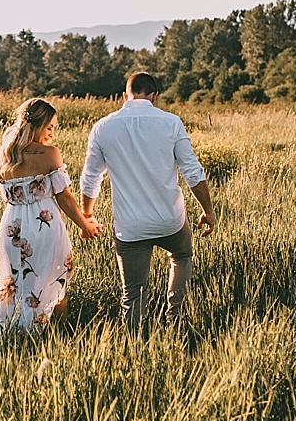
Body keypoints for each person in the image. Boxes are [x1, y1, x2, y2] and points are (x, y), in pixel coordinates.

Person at [80, 72, 216, 334]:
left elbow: (90, 179)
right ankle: (175, 319)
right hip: (171, 220)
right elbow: (192, 171)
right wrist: (207, 210)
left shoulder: (103, 127)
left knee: (132, 294)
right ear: (154, 96)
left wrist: (86, 215)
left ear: (124, 96)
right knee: (181, 255)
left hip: (130, 227)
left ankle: (133, 347)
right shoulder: (171, 122)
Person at [0, 98, 102, 333]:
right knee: (55, 279)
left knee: (17, 284)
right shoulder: (49, 154)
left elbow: (1, 192)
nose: (52, 134)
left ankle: (15, 333)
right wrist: (85, 225)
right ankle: (56, 335)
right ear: (38, 125)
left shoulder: (3, 155)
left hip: (12, 226)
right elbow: (64, 198)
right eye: (50, 127)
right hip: (44, 227)